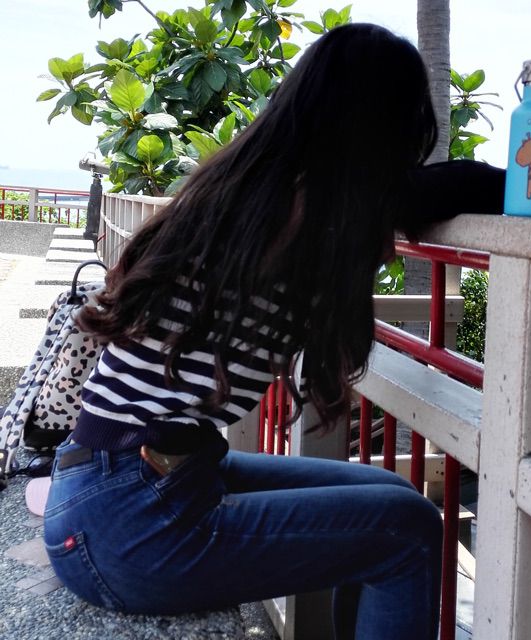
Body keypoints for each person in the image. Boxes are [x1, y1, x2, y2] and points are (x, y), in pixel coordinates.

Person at [43, 23, 504, 640]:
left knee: (387, 493)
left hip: (120, 486)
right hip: (130, 521)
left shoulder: (248, 187)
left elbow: (420, 193)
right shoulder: (299, 207)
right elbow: (458, 188)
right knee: (407, 529)